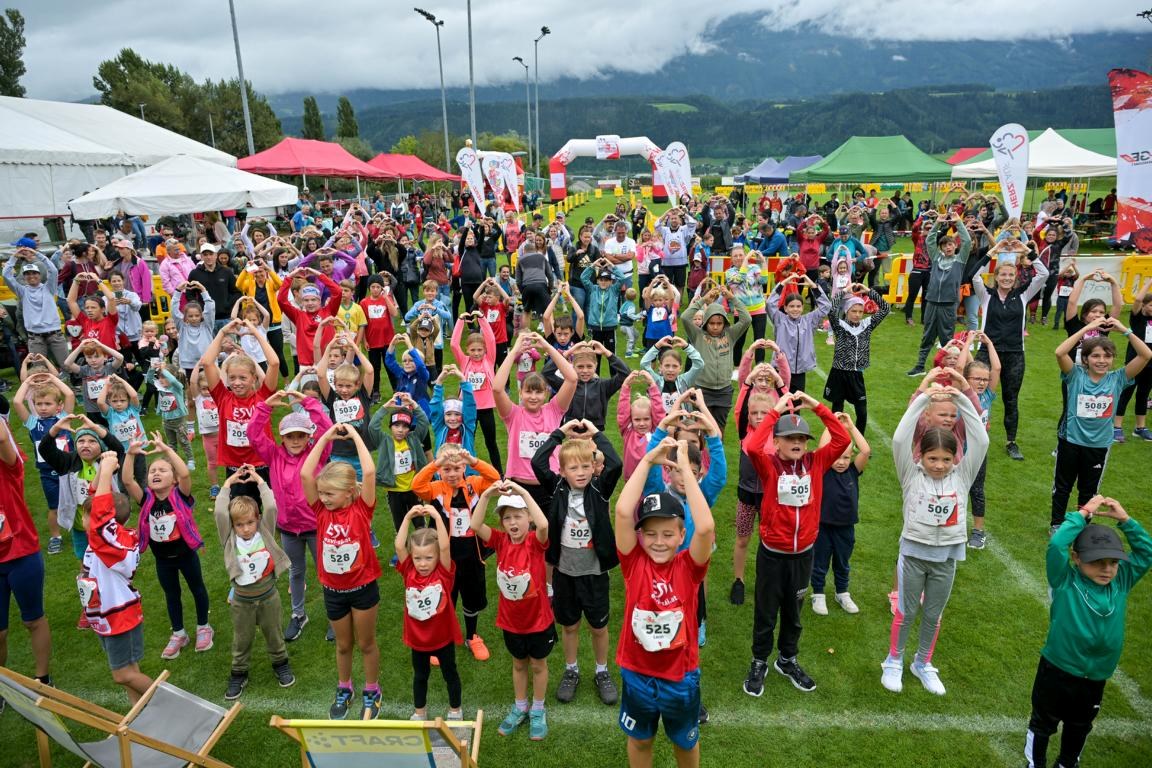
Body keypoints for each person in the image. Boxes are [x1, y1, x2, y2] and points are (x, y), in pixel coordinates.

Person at [1024, 495, 1151, 768]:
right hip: (1057, 671)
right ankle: (1035, 764)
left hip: (1095, 677)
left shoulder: (1122, 582)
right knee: (1043, 723)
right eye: (1097, 562)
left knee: (1079, 726)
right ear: (1076, 558)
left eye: (1113, 563)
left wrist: (1125, 520)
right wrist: (1083, 513)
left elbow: (1147, 552)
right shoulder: (1064, 580)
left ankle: (1067, 763)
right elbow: (1057, 543)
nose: (1107, 569)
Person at [613, 438, 715, 768]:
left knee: (684, 744)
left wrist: (685, 468)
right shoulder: (633, 562)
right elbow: (623, 511)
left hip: (679, 675)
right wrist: (648, 461)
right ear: (640, 535)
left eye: (668, 534)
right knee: (641, 740)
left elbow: (707, 527)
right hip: (637, 671)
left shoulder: (689, 567)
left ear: (681, 533)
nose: (658, 542)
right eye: (651, 533)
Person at [881, 383, 988, 696]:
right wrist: (925, 397)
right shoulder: (910, 474)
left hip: (946, 558)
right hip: (913, 554)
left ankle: (923, 662)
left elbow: (980, 438)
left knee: (933, 614)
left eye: (945, 459)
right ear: (922, 457)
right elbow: (901, 438)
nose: (939, 465)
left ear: (956, 459)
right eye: (932, 459)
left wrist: (963, 395)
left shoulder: (962, 476)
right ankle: (894, 660)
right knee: (906, 611)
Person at [741, 392, 849, 696]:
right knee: (766, 611)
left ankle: (787, 659)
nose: (797, 443)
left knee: (794, 612)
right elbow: (750, 445)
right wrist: (775, 412)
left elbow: (841, 440)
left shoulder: (817, 462)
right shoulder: (768, 465)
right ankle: (759, 660)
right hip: (773, 554)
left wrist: (817, 407)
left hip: (803, 554)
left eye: (802, 437)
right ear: (776, 442)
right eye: (790, 438)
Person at [301, 423, 383, 720]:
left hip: (362, 589)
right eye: (321, 493)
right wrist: (325, 437)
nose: (322, 498)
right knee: (344, 644)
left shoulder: (363, 508)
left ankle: (372, 690)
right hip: (333, 591)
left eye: (329, 493)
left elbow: (370, 472)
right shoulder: (321, 512)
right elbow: (306, 475)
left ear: (350, 492)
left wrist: (356, 436)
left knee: (365, 643)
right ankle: (344, 687)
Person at [471, 482, 555, 740]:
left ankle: (538, 709)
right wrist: (486, 494)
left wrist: (524, 494)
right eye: (507, 518)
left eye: (518, 516)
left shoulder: (534, 542)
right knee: (519, 664)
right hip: (511, 622)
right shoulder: (500, 541)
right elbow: (475, 526)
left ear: (527, 517)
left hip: (538, 622)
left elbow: (543, 526)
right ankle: (520, 706)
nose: (513, 522)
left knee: (538, 665)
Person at [1051, 318, 1151, 533]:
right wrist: (1088, 328)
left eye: (1107, 356)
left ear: (1113, 359)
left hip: (1098, 445)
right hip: (1070, 441)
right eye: (1095, 356)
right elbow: (1060, 352)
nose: (1102, 360)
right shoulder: (1075, 375)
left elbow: (1146, 355)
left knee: (1088, 490)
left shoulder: (1118, 378)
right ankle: (1056, 524)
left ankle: (1082, 526)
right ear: (1085, 359)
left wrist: (1124, 330)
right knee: (1063, 487)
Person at [121, 433, 214, 660]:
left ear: (173, 480)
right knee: (172, 594)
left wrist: (166, 449)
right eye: (153, 471)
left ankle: (204, 627)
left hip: (186, 555)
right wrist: (130, 454)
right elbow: (127, 481)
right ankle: (179, 633)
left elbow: (184, 472)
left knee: (197, 589)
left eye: (162, 470)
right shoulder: (146, 499)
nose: (156, 473)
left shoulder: (180, 495)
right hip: (163, 560)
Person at [410, 445, 501, 661]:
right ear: (441, 470)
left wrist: (472, 460)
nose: (451, 474)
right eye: (447, 469)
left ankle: (472, 636)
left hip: (471, 554)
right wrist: (435, 463)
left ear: (464, 468)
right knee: (443, 598)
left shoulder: (475, 484)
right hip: (443, 556)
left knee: (471, 597)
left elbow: (495, 477)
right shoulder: (435, 488)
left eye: (457, 468)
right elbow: (417, 485)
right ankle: (443, 638)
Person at [213, 467, 295, 700]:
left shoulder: (265, 531)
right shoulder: (229, 538)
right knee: (242, 638)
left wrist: (259, 480)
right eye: (240, 524)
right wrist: (228, 482)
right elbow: (220, 512)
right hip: (242, 601)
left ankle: (280, 663)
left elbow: (270, 505)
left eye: (249, 522)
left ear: (257, 520)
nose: (246, 528)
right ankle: (239, 673)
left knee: (274, 632)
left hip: (269, 596)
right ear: (233, 525)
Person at [81, 451, 151, 702]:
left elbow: (99, 516)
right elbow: (93, 500)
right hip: (107, 614)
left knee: (121, 674)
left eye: (86, 515)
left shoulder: (110, 541)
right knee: (130, 671)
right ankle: (140, 719)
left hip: (118, 615)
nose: (84, 517)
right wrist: (102, 468)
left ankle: (171, 702)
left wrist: (109, 470)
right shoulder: (109, 537)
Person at [970, 254, 1050, 460]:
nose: (1007, 278)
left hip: (1014, 354)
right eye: (1003, 274)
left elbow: (1043, 273)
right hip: (987, 352)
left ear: (1016, 277)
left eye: (1011, 275)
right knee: (975, 396)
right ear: (996, 277)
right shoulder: (986, 294)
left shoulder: (1023, 295)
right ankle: (971, 434)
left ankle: (1011, 442)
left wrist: (1028, 251)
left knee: (1010, 399)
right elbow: (974, 274)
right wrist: (992, 251)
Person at [395, 503, 464, 722]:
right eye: (417, 558)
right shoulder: (408, 571)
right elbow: (399, 546)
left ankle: (455, 710)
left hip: (442, 636)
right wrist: (407, 518)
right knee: (420, 675)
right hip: (418, 639)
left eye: (428, 558)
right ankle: (420, 712)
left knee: (449, 673)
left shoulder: (443, 573)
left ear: (436, 557)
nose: (422, 564)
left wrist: (436, 516)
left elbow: (444, 547)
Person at [0, 417, 53, 690]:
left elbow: (1, 438)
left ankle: (43, 678)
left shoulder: (10, 465)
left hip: (21, 552)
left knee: (33, 619)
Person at [809, 412, 871, 616]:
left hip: (845, 527)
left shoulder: (854, 471)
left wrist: (851, 427)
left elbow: (866, 450)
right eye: (837, 457)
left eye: (846, 457)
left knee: (842, 562)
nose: (841, 461)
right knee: (820, 561)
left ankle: (842, 591)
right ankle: (818, 593)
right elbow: (823, 448)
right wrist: (832, 425)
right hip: (823, 526)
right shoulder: (823, 469)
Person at [678, 284, 752, 433]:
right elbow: (685, 318)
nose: (716, 327)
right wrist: (704, 300)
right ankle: (701, 455)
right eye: (712, 323)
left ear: (725, 323)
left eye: (719, 323)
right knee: (701, 427)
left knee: (719, 428)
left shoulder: (730, 335)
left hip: (724, 390)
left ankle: (717, 455)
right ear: (705, 323)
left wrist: (731, 298)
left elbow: (746, 319)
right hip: (702, 389)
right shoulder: (698, 335)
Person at [906, 213, 973, 376]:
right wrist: (937, 223)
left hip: (949, 305)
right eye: (945, 246)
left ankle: (947, 368)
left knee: (947, 339)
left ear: (954, 246)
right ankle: (920, 366)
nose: (948, 248)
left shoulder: (960, 260)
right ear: (941, 248)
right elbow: (929, 240)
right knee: (927, 335)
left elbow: (968, 242)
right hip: (931, 302)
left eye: (950, 245)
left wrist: (958, 222)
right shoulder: (936, 258)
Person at [824, 285, 890, 430]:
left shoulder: (867, 325)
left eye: (860, 311)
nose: (857, 314)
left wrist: (868, 292)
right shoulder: (839, 326)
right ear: (847, 311)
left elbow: (886, 309)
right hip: (839, 372)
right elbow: (831, 309)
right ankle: (834, 439)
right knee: (837, 409)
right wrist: (844, 292)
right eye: (854, 311)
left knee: (862, 411)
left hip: (856, 374)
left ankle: (859, 442)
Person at [1114, 280, 1152, 441]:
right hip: (1135, 362)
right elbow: (1136, 300)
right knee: (1126, 393)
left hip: (1151, 365)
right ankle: (1116, 427)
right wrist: (1150, 281)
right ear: (1144, 306)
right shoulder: (1137, 318)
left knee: (1143, 395)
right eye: (1150, 305)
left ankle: (1140, 427)